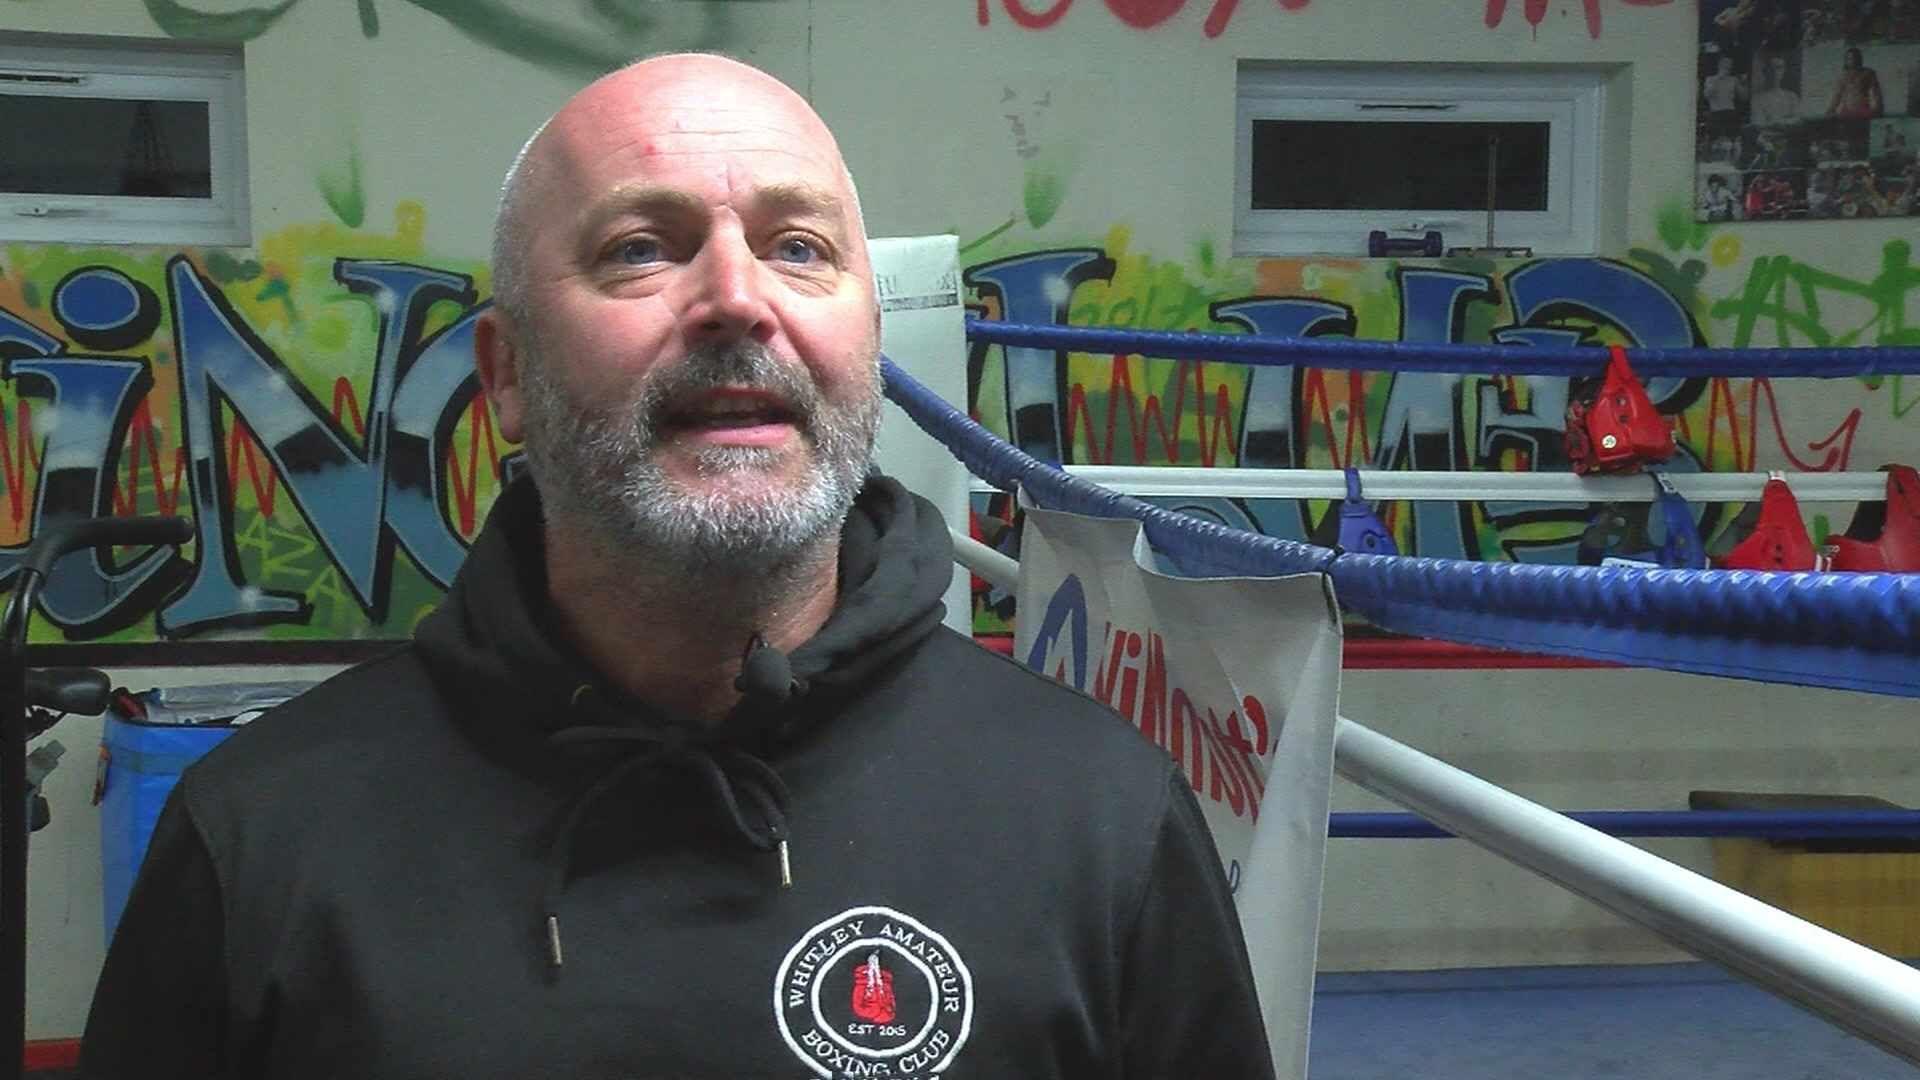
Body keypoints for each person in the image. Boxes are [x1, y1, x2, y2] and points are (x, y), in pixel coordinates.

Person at [75, 53, 1277, 1080]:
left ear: (867, 335)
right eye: (642, 249)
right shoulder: (260, 844)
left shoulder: (1104, 820)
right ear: (502, 376)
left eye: (798, 246)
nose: (737, 299)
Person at [1826, 46, 1883, 118]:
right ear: (1846, 61)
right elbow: (1837, 95)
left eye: (1855, 58)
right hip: (1847, 110)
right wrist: (1831, 109)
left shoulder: (1868, 73)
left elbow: (1876, 93)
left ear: (1860, 59)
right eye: (1849, 58)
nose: (1853, 60)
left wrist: (1878, 108)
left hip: (1863, 109)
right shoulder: (1843, 75)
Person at [1749, 54, 1803, 126]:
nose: (1775, 72)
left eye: (1779, 68)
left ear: (1783, 71)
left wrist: (1773, 120)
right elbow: (1759, 124)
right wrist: (1787, 120)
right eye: (1771, 68)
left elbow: (1798, 120)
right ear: (1766, 71)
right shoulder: (1757, 99)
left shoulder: (1792, 97)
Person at [1702, 55, 1749, 129]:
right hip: (1716, 113)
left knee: (1732, 139)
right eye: (1726, 63)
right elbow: (1707, 95)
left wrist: (1744, 84)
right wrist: (1718, 78)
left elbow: (1744, 98)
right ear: (1719, 65)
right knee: (1716, 139)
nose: (1728, 65)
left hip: (1730, 113)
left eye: (1730, 64)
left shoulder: (1734, 80)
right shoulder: (1710, 79)